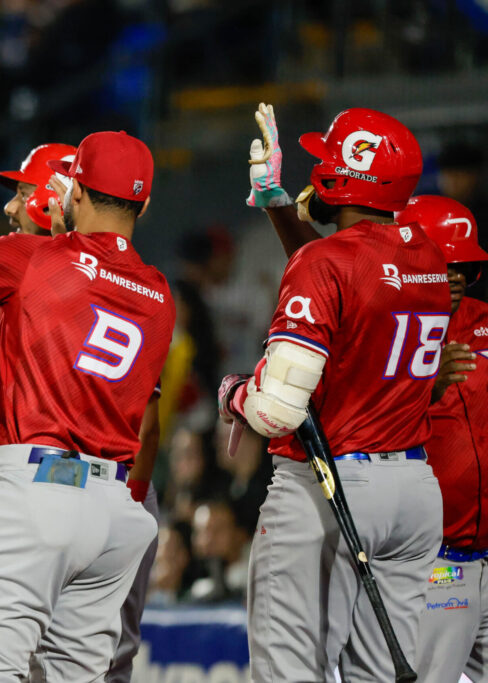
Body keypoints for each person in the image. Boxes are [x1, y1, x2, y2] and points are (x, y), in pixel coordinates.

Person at [0, 130, 174, 682]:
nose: (9, 206)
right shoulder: (158, 292)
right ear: (143, 203)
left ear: (70, 193)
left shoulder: (31, 259)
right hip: (113, 510)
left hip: (37, 492)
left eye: (22, 193)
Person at [219, 105, 448, 680]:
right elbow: (351, 264)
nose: (315, 170)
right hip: (414, 491)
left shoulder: (327, 261)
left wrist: (232, 396)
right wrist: (275, 204)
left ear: (348, 177)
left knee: (290, 669)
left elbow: (275, 411)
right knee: (376, 674)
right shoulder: (428, 257)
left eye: (326, 160)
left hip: (333, 482)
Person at [395, 195, 488, 682]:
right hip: (436, 565)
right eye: (443, 262)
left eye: (464, 267)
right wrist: (427, 388)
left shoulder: (484, 320)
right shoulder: (385, 328)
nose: (454, 276)